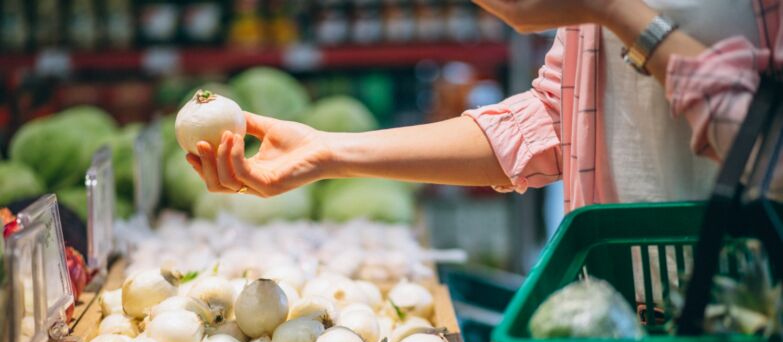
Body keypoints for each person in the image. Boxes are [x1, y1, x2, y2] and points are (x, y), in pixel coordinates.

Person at [186, 0, 781, 213]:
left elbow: (771, 157)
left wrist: (613, 11)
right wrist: (328, 151)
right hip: (625, 308)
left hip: (754, 316)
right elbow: (554, 120)